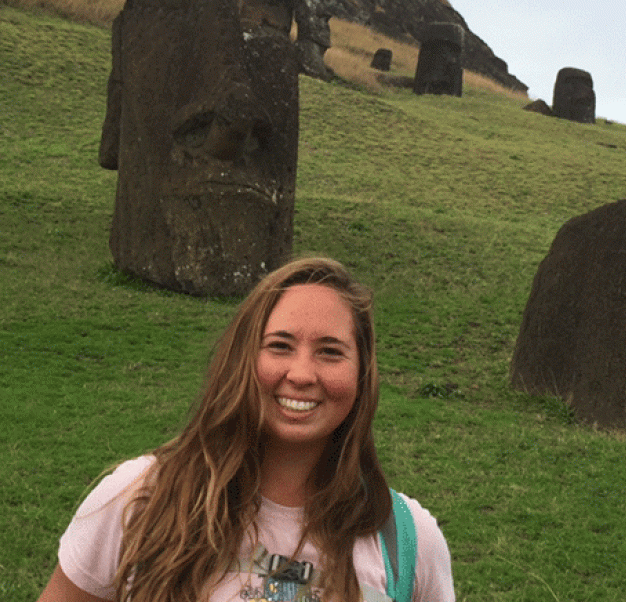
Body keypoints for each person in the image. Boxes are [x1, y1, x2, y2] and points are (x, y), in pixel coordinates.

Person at [36, 256, 455, 602]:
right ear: (243, 359)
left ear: (362, 374)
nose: (302, 373)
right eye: (279, 346)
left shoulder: (407, 542)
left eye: (331, 352)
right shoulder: (140, 500)